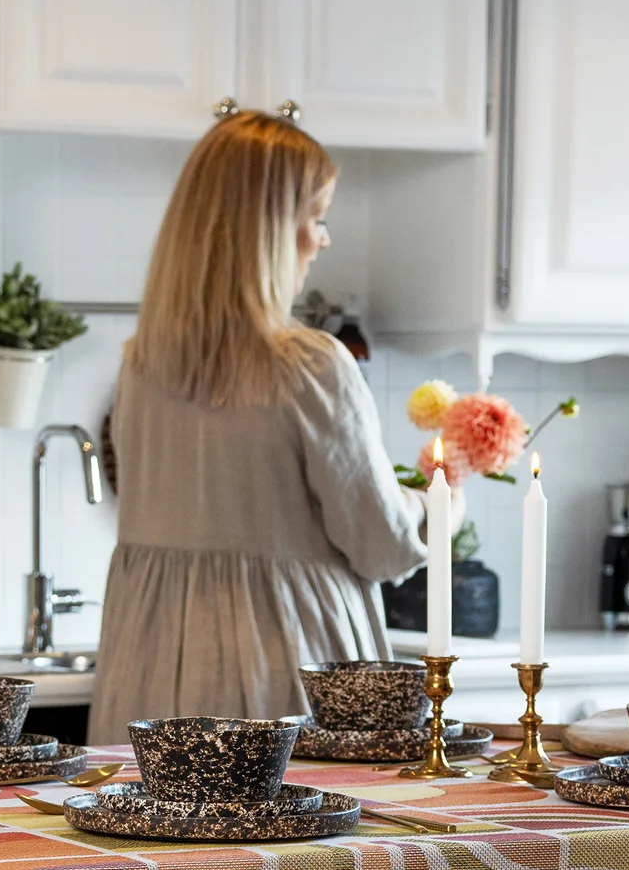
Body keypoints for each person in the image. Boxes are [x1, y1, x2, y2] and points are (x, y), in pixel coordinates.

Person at [88, 110, 425, 742]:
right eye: (316, 218)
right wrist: (438, 503)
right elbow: (380, 544)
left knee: (155, 809)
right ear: (269, 232)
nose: (323, 240)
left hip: (150, 677)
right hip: (284, 669)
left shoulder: (140, 367)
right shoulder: (311, 366)